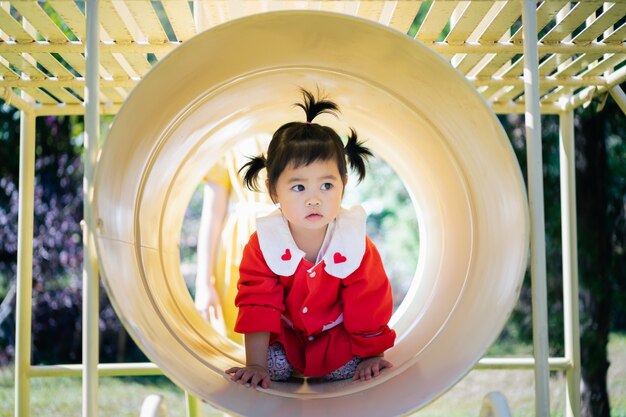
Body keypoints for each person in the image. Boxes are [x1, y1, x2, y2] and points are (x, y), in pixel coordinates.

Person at [225, 89, 396, 389]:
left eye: (327, 185)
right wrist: (255, 364)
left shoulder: (352, 240)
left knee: (351, 370)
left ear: (344, 184)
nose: (314, 199)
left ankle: (342, 365)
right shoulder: (264, 242)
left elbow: (368, 299)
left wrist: (372, 355)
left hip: (335, 340)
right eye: (299, 188)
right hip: (288, 339)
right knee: (271, 368)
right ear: (273, 190)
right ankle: (276, 366)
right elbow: (257, 302)